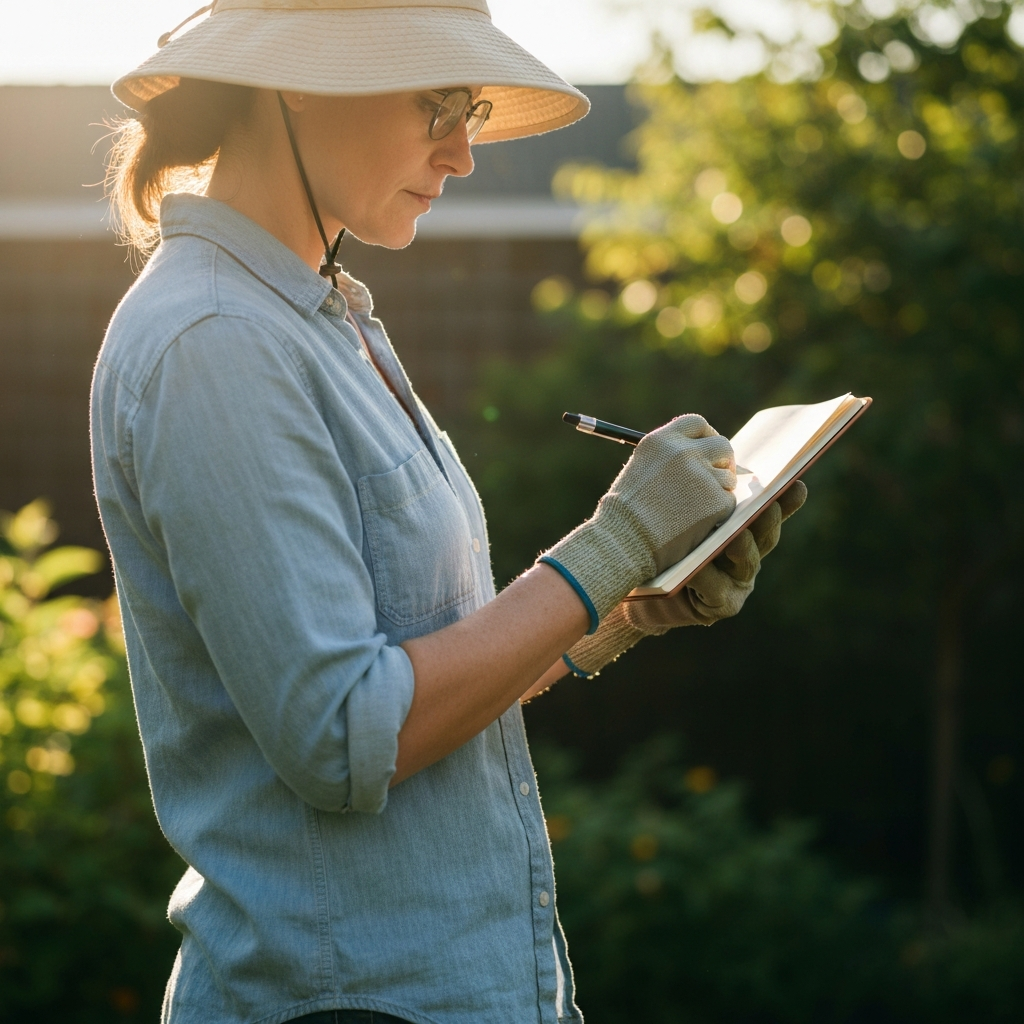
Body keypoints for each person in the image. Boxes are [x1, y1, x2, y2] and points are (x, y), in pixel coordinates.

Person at [92, 2, 806, 1022]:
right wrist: (612, 546)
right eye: (435, 105)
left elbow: (411, 673)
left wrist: (629, 607)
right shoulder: (215, 340)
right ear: (298, 77)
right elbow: (345, 733)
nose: (464, 154)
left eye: (467, 109)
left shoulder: (323, 318)